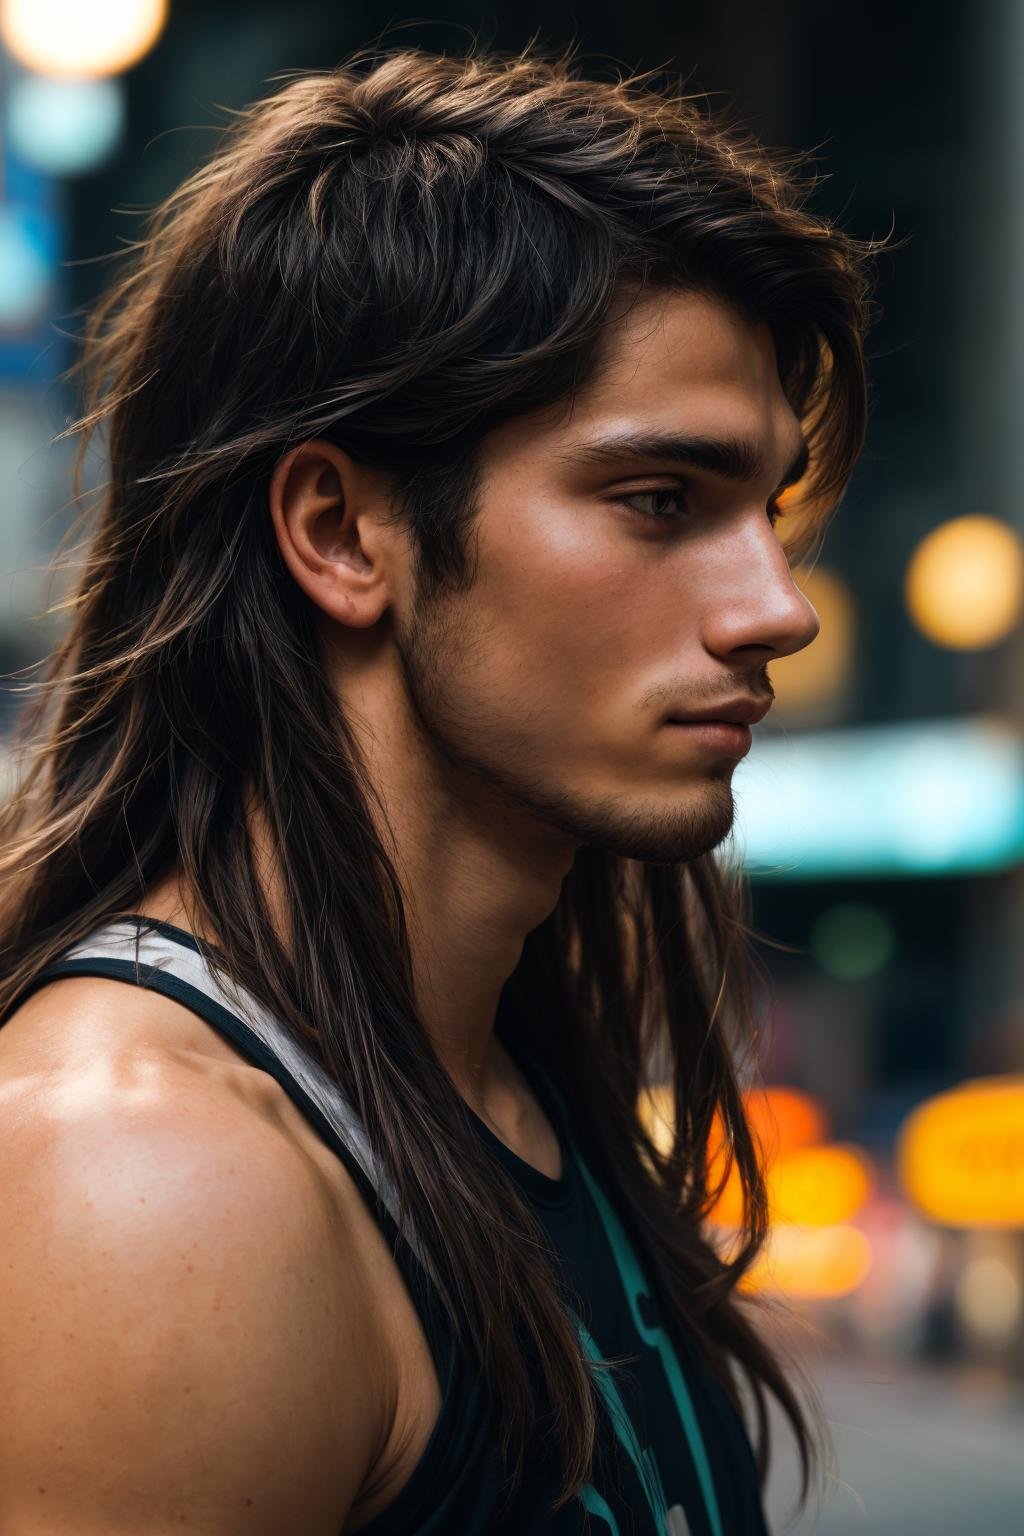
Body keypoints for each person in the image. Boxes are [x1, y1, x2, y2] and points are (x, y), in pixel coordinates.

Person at [0, 43, 875, 1535]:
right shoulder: (149, 1182)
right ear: (343, 533)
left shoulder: (509, 1071)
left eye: (766, 509)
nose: (776, 606)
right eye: (660, 501)